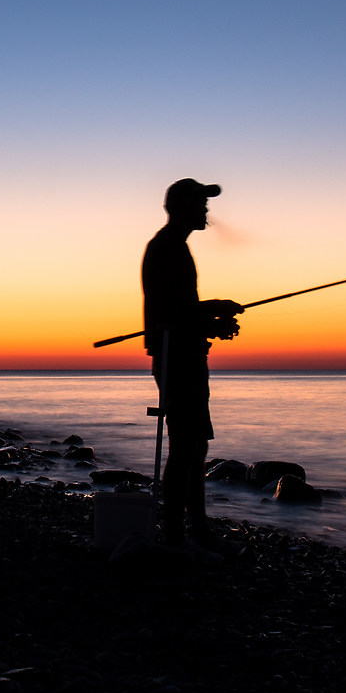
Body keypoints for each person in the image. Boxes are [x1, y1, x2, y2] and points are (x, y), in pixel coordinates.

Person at [142, 178, 242, 548]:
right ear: (181, 206)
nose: (206, 209)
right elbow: (171, 313)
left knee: (194, 446)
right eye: (200, 202)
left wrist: (211, 320)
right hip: (177, 359)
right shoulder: (167, 247)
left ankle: (194, 530)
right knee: (186, 446)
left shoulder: (173, 247)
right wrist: (212, 313)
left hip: (184, 354)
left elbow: (180, 311)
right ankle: (179, 534)